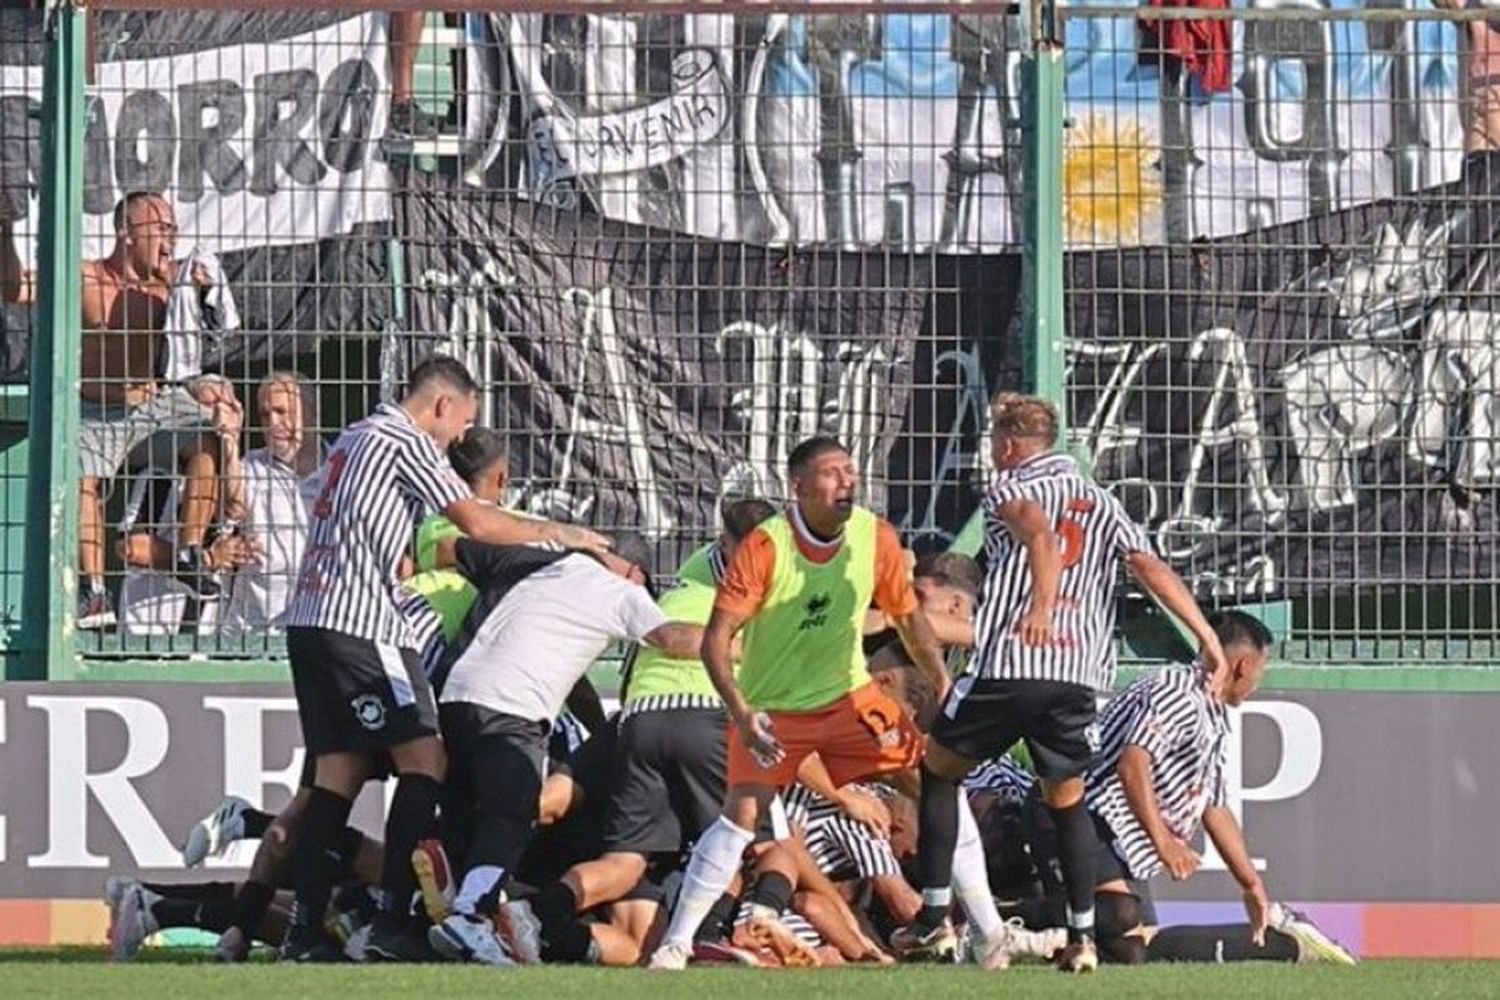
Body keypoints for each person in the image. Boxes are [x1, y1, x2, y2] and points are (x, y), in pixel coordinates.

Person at [278, 355, 610, 963]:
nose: (460, 437)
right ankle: (388, 924)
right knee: (426, 758)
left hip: (307, 621)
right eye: (462, 420)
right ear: (440, 405)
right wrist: (566, 535)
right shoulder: (409, 443)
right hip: (362, 622)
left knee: (338, 778)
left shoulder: (354, 436)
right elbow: (477, 520)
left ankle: (301, 935)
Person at [896, 393, 1227, 973]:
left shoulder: (1009, 489)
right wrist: (1207, 635)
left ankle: (933, 919)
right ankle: (1081, 940)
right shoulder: (1102, 502)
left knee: (938, 768)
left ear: (1006, 445)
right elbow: (1148, 566)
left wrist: (1043, 606)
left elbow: (1041, 537)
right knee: (1066, 801)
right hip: (1078, 680)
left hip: (1012, 665)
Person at [647, 436, 950, 971]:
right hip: (775, 708)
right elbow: (714, 640)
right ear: (799, 486)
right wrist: (742, 710)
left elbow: (907, 618)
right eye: (832, 473)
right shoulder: (765, 547)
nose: (846, 482)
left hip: (849, 697)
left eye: (851, 472)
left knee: (936, 777)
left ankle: (975, 927)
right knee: (744, 819)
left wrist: (943, 684)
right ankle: (682, 942)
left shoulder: (873, 536)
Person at [981, 611, 1355, 967]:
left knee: (1131, 950)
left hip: (1109, 832)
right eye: (1262, 667)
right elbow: (1133, 763)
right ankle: (982, 919)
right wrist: (1164, 842)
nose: (1260, 680)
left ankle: (1286, 940)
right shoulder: (1176, 693)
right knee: (1119, 913)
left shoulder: (1214, 715)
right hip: (1072, 814)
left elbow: (1214, 806)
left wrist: (1251, 884)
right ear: (1244, 665)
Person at [492, 498, 777, 966]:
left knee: (625, 866)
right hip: (707, 713)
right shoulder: (765, 593)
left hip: (639, 716)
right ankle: (704, 938)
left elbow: (637, 668)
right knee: (732, 837)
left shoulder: (689, 580)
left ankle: (532, 913)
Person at [420, 534, 703, 967]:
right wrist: (740, 647)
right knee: (512, 813)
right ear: (636, 574)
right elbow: (670, 636)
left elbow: (445, 548)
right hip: (512, 706)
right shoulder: (621, 591)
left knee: (469, 814)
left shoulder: (531, 559)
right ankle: (471, 917)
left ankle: (435, 896)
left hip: (454, 694)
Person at [0, 192, 229, 628]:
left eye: (173, 230)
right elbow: (14, 289)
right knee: (81, 472)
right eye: (160, 228)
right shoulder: (85, 280)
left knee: (208, 438)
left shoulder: (173, 287)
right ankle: (96, 594)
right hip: (95, 409)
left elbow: (202, 347)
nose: (170, 238)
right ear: (127, 233)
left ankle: (190, 553)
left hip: (152, 405)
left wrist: (200, 296)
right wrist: (6, 230)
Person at [114, 376, 256, 636]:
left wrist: (231, 442)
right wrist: (208, 559)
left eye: (227, 408)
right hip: (146, 633)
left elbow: (236, 508)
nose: (218, 418)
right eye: (211, 407)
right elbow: (130, 547)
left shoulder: (239, 478)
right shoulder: (160, 477)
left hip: (201, 641)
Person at [220, 372, 327, 635]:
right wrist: (230, 441)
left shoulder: (338, 468)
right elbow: (234, 505)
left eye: (282, 412)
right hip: (252, 632)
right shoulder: (253, 465)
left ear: (311, 414)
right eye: (265, 415)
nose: (272, 423)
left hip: (316, 628)